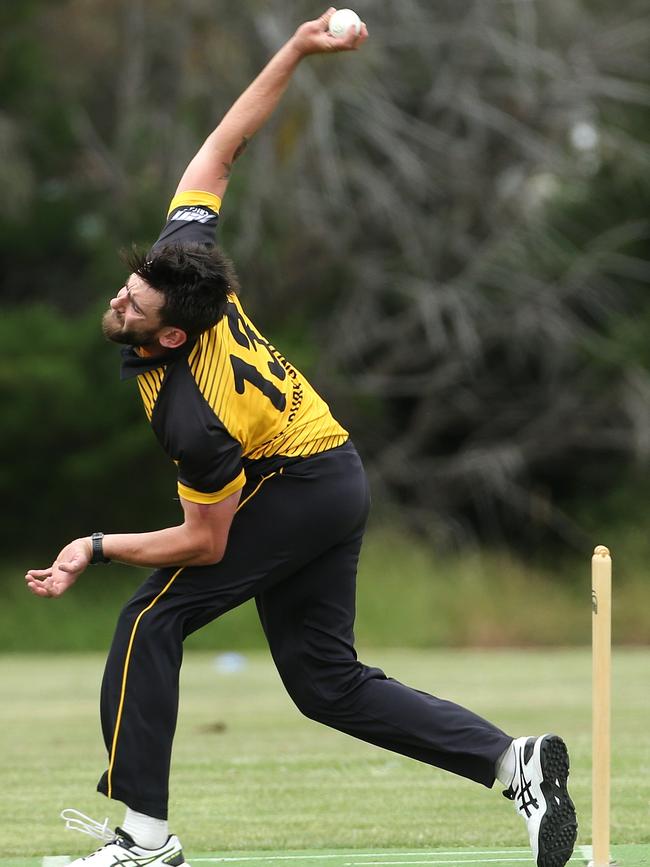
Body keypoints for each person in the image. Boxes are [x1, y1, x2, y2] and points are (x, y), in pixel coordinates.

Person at [25, 9, 577, 867]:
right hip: (330, 471)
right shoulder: (185, 256)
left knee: (148, 622)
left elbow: (205, 542)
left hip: (301, 482)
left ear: (171, 336)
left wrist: (95, 544)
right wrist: (295, 48)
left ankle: (145, 841)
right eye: (127, 288)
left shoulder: (191, 415)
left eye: (133, 305)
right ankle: (518, 767)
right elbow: (223, 146)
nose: (119, 301)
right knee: (327, 685)